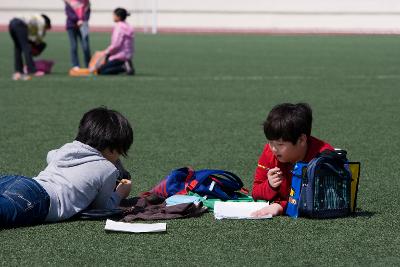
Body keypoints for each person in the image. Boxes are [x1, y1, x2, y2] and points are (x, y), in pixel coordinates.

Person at [0, 107, 133, 228]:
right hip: (38, 199)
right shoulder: (108, 169)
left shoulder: (68, 148)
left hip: (19, 182)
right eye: (120, 153)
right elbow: (102, 207)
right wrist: (120, 193)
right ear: (112, 149)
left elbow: (50, 155)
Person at [251, 103, 334, 217]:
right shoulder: (269, 152)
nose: (273, 149)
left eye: (280, 144)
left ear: (301, 140)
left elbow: (322, 201)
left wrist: (280, 206)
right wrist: (270, 186)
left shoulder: (323, 158)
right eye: (270, 142)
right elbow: (256, 192)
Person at [9, 14, 51, 80]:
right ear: (47, 23)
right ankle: (32, 70)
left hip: (12, 23)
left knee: (18, 48)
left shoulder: (35, 18)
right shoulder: (42, 21)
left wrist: (33, 42)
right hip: (20, 24)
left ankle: (18, 71)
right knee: (26, 48)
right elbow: (39, 36)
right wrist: (38, 44)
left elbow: (31, 35)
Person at [97, 8, 135, 75]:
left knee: (101, 70)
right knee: (107, 67)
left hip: (119, 56)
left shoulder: (119, 27)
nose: (113, 17)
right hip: (127, 55)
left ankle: (123, 67)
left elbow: (116, 44)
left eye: (114, 15)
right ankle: (126, 65)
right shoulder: (127, 26)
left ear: (118, 17)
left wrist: (106, 52)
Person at [64, 0, 91, 70]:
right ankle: (75, 65)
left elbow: (87, 13)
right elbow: (69, 13)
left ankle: (88, 64)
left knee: (86, 47)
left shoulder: (86, 2)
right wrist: (77, 20)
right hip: (71, 26)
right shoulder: (69, 2)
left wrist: (83, 20)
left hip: (83, 26)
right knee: (74, 46)